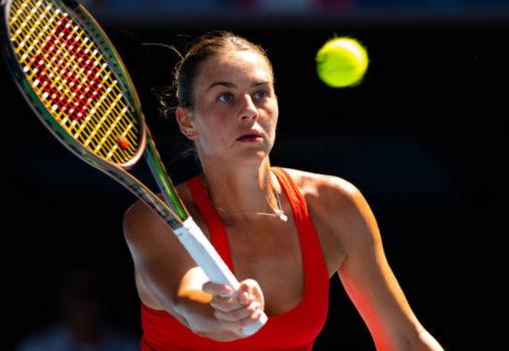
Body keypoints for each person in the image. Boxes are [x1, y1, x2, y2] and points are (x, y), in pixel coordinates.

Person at [123, 31, 445, 351]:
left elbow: (404, 340)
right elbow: (190, 304)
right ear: (187, 121)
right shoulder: (154, 220)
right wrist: (225, 313)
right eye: (226, 97)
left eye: (261, 93)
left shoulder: (333, 206)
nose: (250, 110)